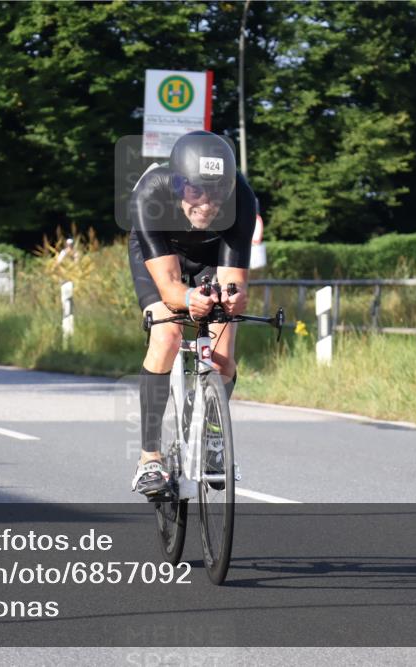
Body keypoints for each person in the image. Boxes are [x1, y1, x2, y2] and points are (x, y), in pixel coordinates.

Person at [128, 131, 257, 496]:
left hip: (212, 257)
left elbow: (233, 279)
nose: (208, 202)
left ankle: (211, 433)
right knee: (167, 334)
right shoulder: (151, 192)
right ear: (178, 183)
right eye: (197, 190)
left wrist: (232, 299)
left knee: (221, 356)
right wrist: (187, 298)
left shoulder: (243, 199)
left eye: (218, 192)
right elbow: (169, 286)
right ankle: (148, 457)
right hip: (159, 254)